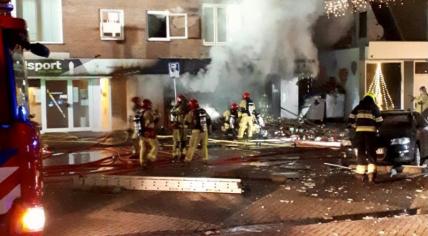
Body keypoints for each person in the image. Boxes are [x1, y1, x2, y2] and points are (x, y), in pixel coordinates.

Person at [348, 93, 383, 183]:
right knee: (371, 152)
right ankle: (371, 174)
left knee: (361, 151)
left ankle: (361, 174)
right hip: (370, 133)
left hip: (359, 133)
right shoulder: (374, 107)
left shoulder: (358, 107)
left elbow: (351, 117)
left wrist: (354, 125)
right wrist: (376, 127)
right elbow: (380, 121)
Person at [184, 98, 211, 163]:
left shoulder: (191, 112)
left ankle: (188, 158)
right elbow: (209, 120)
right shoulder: (203, 110)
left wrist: (186, 130)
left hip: (196, 131)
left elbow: (186, 122)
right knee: (204, 145)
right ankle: (205, 158)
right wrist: (208, 130)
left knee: (192, 145)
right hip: (204, 130)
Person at [139, 99, 160, 167]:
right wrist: (157, 117)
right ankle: (150, 157)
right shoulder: (148, 112)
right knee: (156, 145)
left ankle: (142, 161)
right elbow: (150, 123)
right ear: (148, 105)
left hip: (141, 133)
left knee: (144, 148)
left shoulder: (140, 112)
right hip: (148, 132)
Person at [170, 94, 189, 161]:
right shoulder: (186, 107)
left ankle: (176, 154)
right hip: (182, 127)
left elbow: (173, 112)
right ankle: (182, 153)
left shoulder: (179, 108)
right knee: (182, 141)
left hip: (179, 127)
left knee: (177, 141)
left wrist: (176, 106)